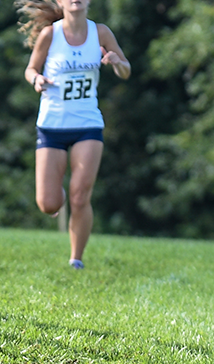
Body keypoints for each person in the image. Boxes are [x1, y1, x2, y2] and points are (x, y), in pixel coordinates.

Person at [17, 0, 130, 269]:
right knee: (47, 203)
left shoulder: (100, 33)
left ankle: (76, 259)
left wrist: (116, 62)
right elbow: (30, 69)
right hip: (52, 125)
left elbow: (126, 69)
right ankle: (58, 195)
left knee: (81, 196)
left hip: (88, 124)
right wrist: (37, 80)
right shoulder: (50, 35)